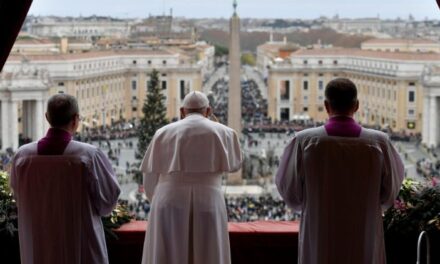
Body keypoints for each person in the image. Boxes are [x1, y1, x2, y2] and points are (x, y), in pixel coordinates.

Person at [276, 78, 404, 264]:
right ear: (357, 105)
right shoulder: (379, 142)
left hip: (319, 231)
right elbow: (390, 191)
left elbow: (289, 190)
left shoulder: (304, 142)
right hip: (364, 231)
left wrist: (312, 203)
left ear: (326, 106)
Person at [10, 93, 120, 264]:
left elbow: (18, 196)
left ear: (47, 118)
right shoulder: (89, 156)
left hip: (39, 241)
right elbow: (107, 202)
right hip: (80, 242)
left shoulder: (22, 157)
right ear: (76, 119)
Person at [140, 91, 242, 264]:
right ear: (208, 110)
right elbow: (235, 165)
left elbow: (149, 178)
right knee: (209, 252)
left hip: (169, 200)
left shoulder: (162, 133)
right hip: (209, 200)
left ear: (182, 111)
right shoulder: (226, 133)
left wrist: (157, 200)